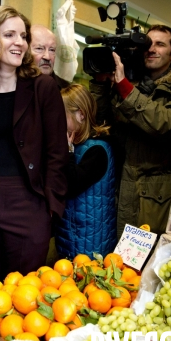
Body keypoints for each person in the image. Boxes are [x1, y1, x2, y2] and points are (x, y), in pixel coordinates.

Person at [0, 5, 68, 289]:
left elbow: (57, 154)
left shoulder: (43, 88)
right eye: (9, 35)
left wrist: (50, 207)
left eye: (23, 36)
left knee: (23, 294)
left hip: (27, 201)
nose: (20, 42)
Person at [91, 24, 171, 237]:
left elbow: (166, 125)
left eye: (160, 44)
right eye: (148, 44)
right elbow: (100, 123)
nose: (152, 49)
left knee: (146, 263)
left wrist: (125, 89)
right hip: (119, 188)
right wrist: (101, 85)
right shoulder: (129, 84)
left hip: (155, 197)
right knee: (115, 262)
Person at [56, 84, 116, 259]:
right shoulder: (76, 145)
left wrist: (66, 152)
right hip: (71, 236)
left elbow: (72, 184)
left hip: (90, 245)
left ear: (81, 115)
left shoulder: (97, 150)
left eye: (61, 116)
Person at [30, 24, 70, 89]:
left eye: (52, 50)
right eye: (39, 49)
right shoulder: (13, 85)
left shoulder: (65, 89)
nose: (47, 57)